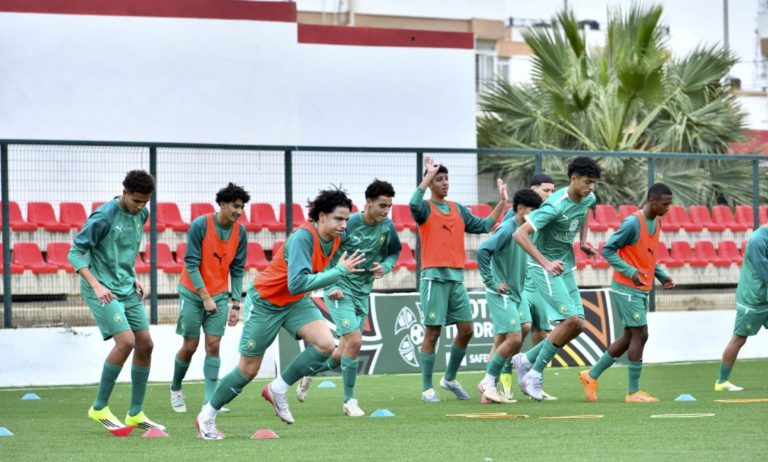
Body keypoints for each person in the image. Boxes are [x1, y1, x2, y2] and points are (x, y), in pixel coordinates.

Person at [195, 188, 365, 439]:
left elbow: (313, 276)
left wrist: (336, 278)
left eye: (346, 219)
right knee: (248, 370)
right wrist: (339, 273)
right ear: (321, 216)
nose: (344, 224)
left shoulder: (338, 235)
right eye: (339, 219)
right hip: (266, 302)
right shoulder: (302, 238)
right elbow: (297, 283)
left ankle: (278, 388)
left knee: (326, 345)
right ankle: (206, 416)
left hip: (296, 302)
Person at [68, 170, 164, 434]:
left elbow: (124, 249)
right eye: (136, 201)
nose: (141, 206)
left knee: (146, 344)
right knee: (126, 342)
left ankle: (135, 413)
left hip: (125, 286)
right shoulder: (103, 216)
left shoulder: (142, 214)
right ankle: (99, 407)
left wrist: (132, 276)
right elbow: (74, 252)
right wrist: (96, 285)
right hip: (101, 288)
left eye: (145, 202)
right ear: (124, 193)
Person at [295, 179, 401, 417]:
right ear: (368, 202)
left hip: (363, 290)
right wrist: (330, 283)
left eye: (389, 206)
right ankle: (349, 401)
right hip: (340, 288)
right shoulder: (348, 224)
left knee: (343, 350)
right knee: (354, 341)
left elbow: (394, 252)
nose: (386, 211)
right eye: (382, 205)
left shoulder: (387, 226)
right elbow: (326, 252)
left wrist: (385, 266)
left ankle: (309, 371)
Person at [410, 156, 507, 402]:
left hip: (456, 279)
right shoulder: (424, 209)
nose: (444, 183)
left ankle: (449, 379)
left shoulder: (458, 209)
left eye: (446, 179)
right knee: (433, 333)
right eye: (439, 179)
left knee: (467, 330)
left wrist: (502, 202)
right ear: (430, 184)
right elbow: (413, 203)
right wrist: (427, 176)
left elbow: (484, 225)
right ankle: (426, 388)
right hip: (434, 278)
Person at [511, 156, 601, 401]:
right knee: (570, 321)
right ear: (573, 179)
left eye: (594, 182)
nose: (591, 187)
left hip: (565, 266)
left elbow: (585, 212)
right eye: (587, 182)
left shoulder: (588, 197)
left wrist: (583, 242)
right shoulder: (554, 205)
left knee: (578, 324)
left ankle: (525, 360)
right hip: (543, 267)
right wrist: (545, 262)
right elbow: (520, 234)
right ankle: (534, 373)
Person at [579, 183, 675, 403]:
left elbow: (648, 255)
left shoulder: (656, 221)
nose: (668, 208)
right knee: (641, 334)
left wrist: (661, 276)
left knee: (630, 337)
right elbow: (607, 250)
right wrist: (630, 272)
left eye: (669, 204)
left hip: (640, 288)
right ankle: (633, 393)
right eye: (665, 204)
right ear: (652, 201)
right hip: (626, 288)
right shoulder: (633, 223)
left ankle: (590, 376)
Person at [170, 183, 249, 413]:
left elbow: (237, 269)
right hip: (192, 293)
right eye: (235, 206)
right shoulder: (200, 225)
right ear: (222, 204)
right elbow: (191, 264)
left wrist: (236, 304)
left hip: (219, 295)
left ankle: (209, 401)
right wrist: (205, 297)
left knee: (213, 346)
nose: (239, 211)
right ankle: (175, 388)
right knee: (190, 345)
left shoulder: (240, 232)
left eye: (242, 207)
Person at [476, 189, 542, 403]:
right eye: (532, 211)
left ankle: (489, 390)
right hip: (501, 292)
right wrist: (491, 282)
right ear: (521, 210)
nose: (535, 216)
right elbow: (482, 250)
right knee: (513, 338)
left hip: (517, 292)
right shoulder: (507, 229)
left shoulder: (526, 228)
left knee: (522, 328)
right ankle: (488, 382)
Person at [496, 173, 558, 400]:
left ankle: (533, 382)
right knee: (519, 330)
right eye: (546, 190)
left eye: (552, 191)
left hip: (540, 280)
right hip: (520, 282)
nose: (549, 194)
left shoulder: (547, 213)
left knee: (542, 333)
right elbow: (500, 245)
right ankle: (504, 380)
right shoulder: (515, 216)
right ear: (533, 190)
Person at [713, 220, 768, 392]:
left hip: (765, 297)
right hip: (753, 300)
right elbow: (764, 273)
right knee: (739, 339)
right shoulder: (758, 240)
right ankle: (722, 381)